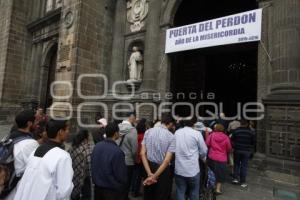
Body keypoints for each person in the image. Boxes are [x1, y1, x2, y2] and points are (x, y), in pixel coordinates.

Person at [13, 119, 74, 200]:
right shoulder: (62, 156)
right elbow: (64, 191)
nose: (68, 132)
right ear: (60, 132)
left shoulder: (35, 151)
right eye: (67, 129)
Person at [4, 110, 39, 200]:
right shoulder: (31, 143)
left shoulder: (7, 137)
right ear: (29, 123)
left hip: (6, 183)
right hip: (16, 188)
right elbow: (36, 168)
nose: (37, 124)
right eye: (35, 122)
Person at [140, 114, 176, 200]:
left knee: (148, 195)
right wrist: (155, 176)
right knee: (161, 195)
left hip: (148, 166)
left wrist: (149, 174)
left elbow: (142, 153)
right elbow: (167, 161)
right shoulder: (171, 137)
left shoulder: (148, 131)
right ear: (170, 123)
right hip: (162, 170)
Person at [91, 122, 127, 200]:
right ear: (116, 133)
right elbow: (121, 176)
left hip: (97, 189)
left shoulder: (97, 146)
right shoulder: (117, 152)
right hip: (111, 191)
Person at [174, 118, 208, 200]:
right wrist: (200, 156)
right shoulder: (197, 133)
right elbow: (204, 151)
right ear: (193, 124)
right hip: (193, 169)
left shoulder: (177, 132)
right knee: (194, 192)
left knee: (180, 191)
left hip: (179, 168)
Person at [206, 124, 232, 195]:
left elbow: (207, 144)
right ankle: (217, 189)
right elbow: (229, 148)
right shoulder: (226, 137)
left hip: (212, 157)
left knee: (212, 172)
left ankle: (212, 186)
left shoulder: (211, 135)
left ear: (215, 129)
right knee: (220, 174)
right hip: (222, 159)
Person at [116, 112, 138, 199]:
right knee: (127, 182)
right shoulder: (133, 130)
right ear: (132, 117)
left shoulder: (117, 127)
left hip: (117, 159)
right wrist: (135, 159)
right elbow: (134, 149)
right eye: (135, 118)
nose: (135, 120)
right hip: (128, 161)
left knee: (118, 180)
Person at [69, 129, 93, 200]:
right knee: (86, 196)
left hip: (73, 176)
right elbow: (89, 165)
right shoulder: (86, 149)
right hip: (84, 178)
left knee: (74, 195)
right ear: (85, 138)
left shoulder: (72, 147)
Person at [231, 119, 256, 188]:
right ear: (247, 124)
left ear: (240, 124)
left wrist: (234, 146)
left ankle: (235, 178)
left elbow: (232, 140)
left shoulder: (236, 131)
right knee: (244, 166)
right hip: (246, 151)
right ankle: (243, 182)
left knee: (236, 164)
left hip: (237, 150)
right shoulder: (251, 132)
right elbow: (253, 142)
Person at [131, 118, 147, 197]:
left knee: (135, 175)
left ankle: (133, 190)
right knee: (140, 176)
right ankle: (136, 192)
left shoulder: (136, 136)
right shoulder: (144, 137)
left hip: (135, 158)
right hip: (141, 159)